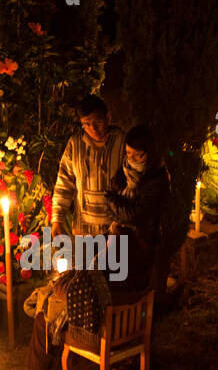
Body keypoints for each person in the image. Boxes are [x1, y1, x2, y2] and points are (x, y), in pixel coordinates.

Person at [52, 95, 126, 240]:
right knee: (84, 264)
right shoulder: (75, 144)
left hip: (116, 230)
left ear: (107, 117)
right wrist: (57, 219)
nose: (93, 128)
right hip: (83, 230)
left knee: (117, 263)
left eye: (97, 121)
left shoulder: (122, 142)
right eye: (86, 124)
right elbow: (64, 183)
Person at [107, 125, 170, 293]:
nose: (132, 159)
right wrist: (116, 204)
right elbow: (114, 202)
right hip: (118, 238)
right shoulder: (124, 171)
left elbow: (136, 215)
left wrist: (113, 202)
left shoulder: (157, 179)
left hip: (141, 244)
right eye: (128, 153)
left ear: (149, 152)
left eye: (137, 154)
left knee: (131, 289)